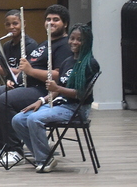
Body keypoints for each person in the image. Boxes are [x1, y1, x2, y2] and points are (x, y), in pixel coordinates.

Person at [0, 4, 72, 167]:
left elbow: (58, 75)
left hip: (43, 90)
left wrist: (30, 71)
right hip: (26, 85)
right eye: (48, 19)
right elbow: (25, 69)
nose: (51, 23)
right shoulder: (45, 44)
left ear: (65, 24)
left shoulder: (64, 45)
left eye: (56, 20)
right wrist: (15, 79)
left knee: (4, 100)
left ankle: (15, 149)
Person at [11, 23, 99, 173]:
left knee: (34, 119)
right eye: (72, 38)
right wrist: (41, 100)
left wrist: (57, 88)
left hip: (77, 108)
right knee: (18, 119)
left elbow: (82, 94)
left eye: (80, 39)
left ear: (87, 42)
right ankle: (46, 156)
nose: (74, 42)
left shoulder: (90, 64)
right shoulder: (67, 62)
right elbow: (57, 91)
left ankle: (44, 159)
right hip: (60, 104)